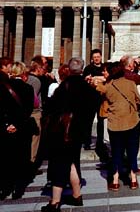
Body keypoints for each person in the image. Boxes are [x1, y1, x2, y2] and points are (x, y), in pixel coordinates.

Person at [42, 57, 91, 211]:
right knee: (71, 162)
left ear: (69, 69)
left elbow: (53, 108)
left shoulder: (65, 86)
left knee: (59, 165)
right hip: (78, 132)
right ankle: (77, 196)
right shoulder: (87, 87)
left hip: (63, 132)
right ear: (82, 69)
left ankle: (55, 202)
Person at [95, 61, 140, 190]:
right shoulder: (131, 83)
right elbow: (138, 99)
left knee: (116, 152)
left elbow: (99, 88)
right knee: (132, 150)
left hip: (115, 123)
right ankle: (133, 179)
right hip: (132, 121)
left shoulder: (109, 86)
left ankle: (115, 180)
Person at [0, 61, 34, 201]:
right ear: (23, 73)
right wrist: (17, 124)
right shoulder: (28, 88)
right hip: (22, 129)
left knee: (6, 158)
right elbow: (28, 110)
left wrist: (7, 124)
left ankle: (5, 187)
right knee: (21, 158)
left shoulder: (3, 87)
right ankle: (18, 189)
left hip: (5, 129)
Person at [82, 49, 104, 150]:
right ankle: (87, 142)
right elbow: (85, 81)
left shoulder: (105, 68)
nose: (96, 59)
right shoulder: (88, 68)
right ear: (92, 58)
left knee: (101, 121)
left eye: (98, 57)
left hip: (101, 99)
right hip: (90, 99)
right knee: (88, 121)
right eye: (95, 57)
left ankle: (100, 142)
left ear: (101, 57)